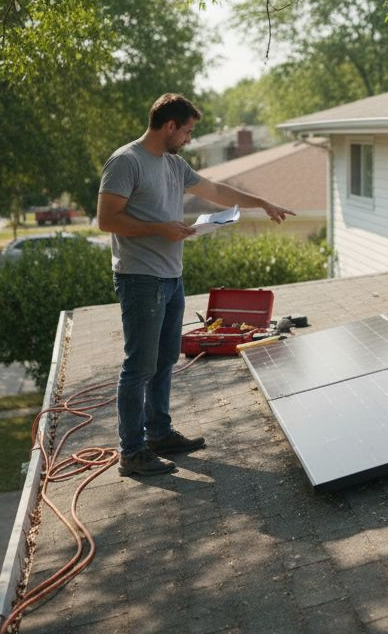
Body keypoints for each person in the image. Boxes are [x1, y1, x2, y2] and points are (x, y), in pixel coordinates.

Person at [98, 93, 294, 477]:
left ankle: (158, 433)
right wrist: (160, 229)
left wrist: (262, 202)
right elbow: (107, 220)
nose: (188, 138)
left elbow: (217, 192)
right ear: (169, 126)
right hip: (140, 278)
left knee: (166, 359)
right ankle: (131, 452)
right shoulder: (126, 162)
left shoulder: (174, 164)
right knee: (139, 365)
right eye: (186, 131)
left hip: (171, 276)